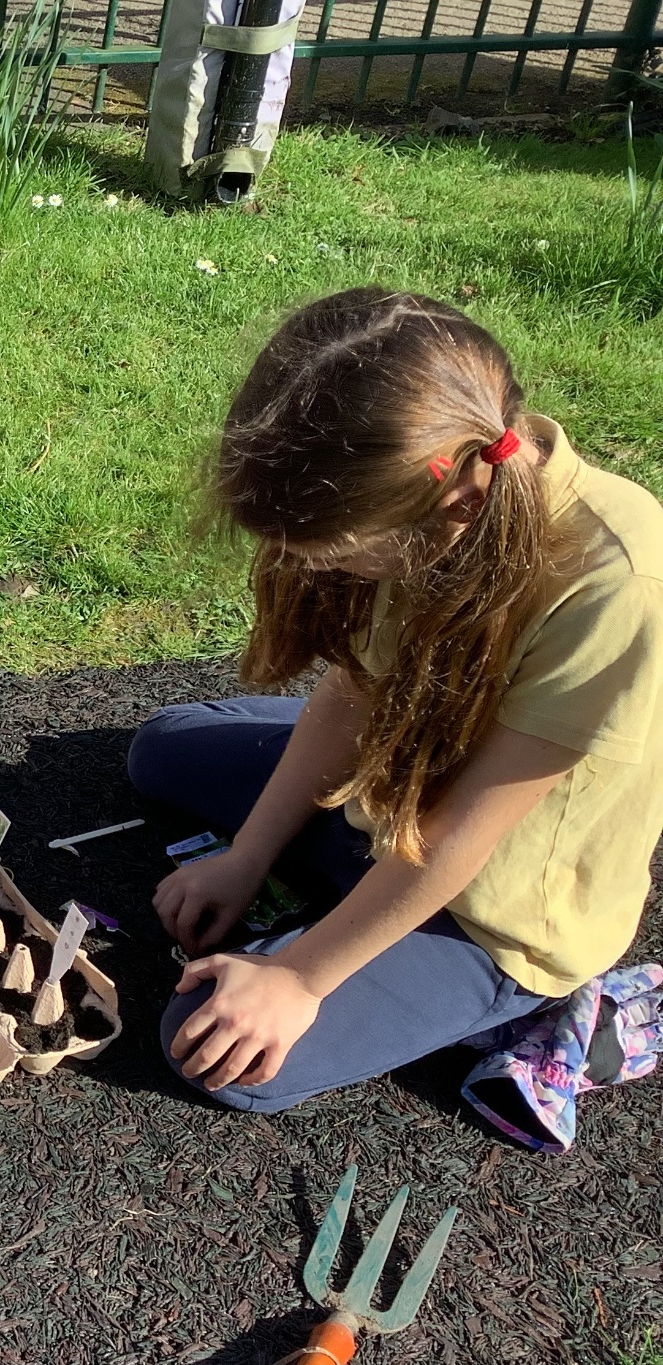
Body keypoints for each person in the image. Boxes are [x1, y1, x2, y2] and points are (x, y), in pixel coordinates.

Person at [127, 287, 663, 1112]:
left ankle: (549, 1007)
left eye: (336, 557)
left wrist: (299, 979)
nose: (316, 573)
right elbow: (355, 688)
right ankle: (335, 870)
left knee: (211, 1047)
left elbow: (461, 836)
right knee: (160, 749)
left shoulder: (619, 584)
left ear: (454, 508)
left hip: (490, 907)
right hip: (392, 798)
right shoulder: (438, 466)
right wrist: (246, 856)